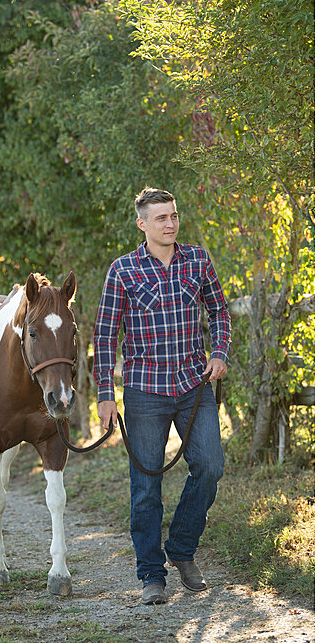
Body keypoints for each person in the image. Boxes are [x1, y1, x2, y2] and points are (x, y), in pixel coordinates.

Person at [93, 187, 231, 605]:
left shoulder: (198, 260)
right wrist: (105, 395)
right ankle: (152, 575)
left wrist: (219, 351)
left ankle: (182, 549)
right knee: (146, 485)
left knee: (210, 466)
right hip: (144, 392)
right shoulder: (123, 270)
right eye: (161, 218)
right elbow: (104, 336)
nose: (170, 224)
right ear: (142, 223)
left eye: (173, 216)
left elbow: (219, 311)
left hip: (193, 384)